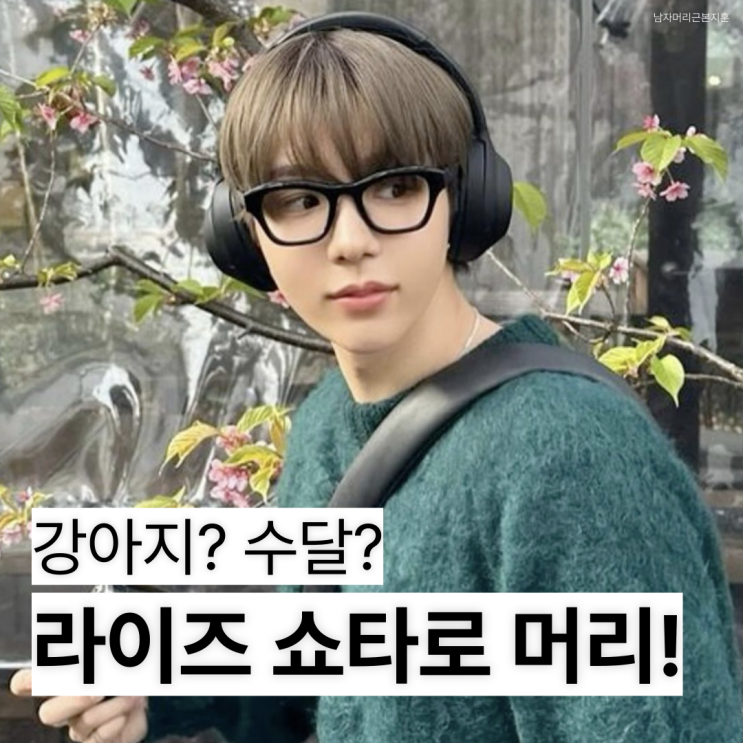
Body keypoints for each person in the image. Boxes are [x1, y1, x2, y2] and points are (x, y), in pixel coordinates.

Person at [11, 11, 743, 743]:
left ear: (463, 200)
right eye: (300, 200)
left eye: (395, 187)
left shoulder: (573, 461)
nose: (351, 241)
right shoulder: (330, 422)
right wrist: (155, 683)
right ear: (246, 233)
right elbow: (320, 656)